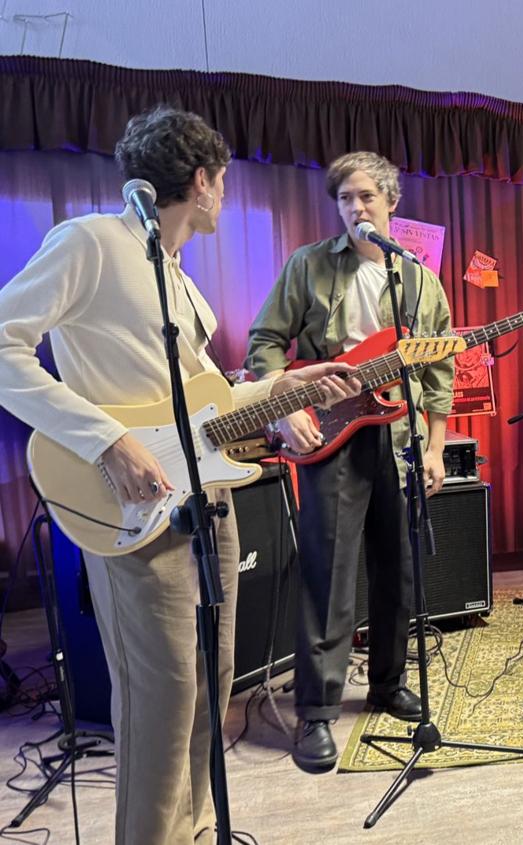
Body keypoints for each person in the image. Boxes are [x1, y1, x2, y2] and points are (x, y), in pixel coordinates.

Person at [0, 106, 358, 844]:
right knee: (161, 701)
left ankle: (197, 830)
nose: (225, 194)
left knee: (207, 691)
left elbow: (208, 408)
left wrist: (296, 384)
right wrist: (104, 439)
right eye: (223, 180)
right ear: (202, 180)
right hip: (135, 510)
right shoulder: (92, 242)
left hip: (207, 502)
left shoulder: (175, 280)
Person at [245, 152, 455, 774]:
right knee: (328, 572)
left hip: (398, 435)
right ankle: (315, 711)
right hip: (329, 435)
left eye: (366, 196)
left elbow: (439, 366)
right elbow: (263, 343)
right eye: (344, 199)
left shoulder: (417, 277)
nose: (355, 208)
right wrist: (286, 406)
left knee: (398, 567)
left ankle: (389, 685)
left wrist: (437, 444)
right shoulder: (308, 265)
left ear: (391, 201)